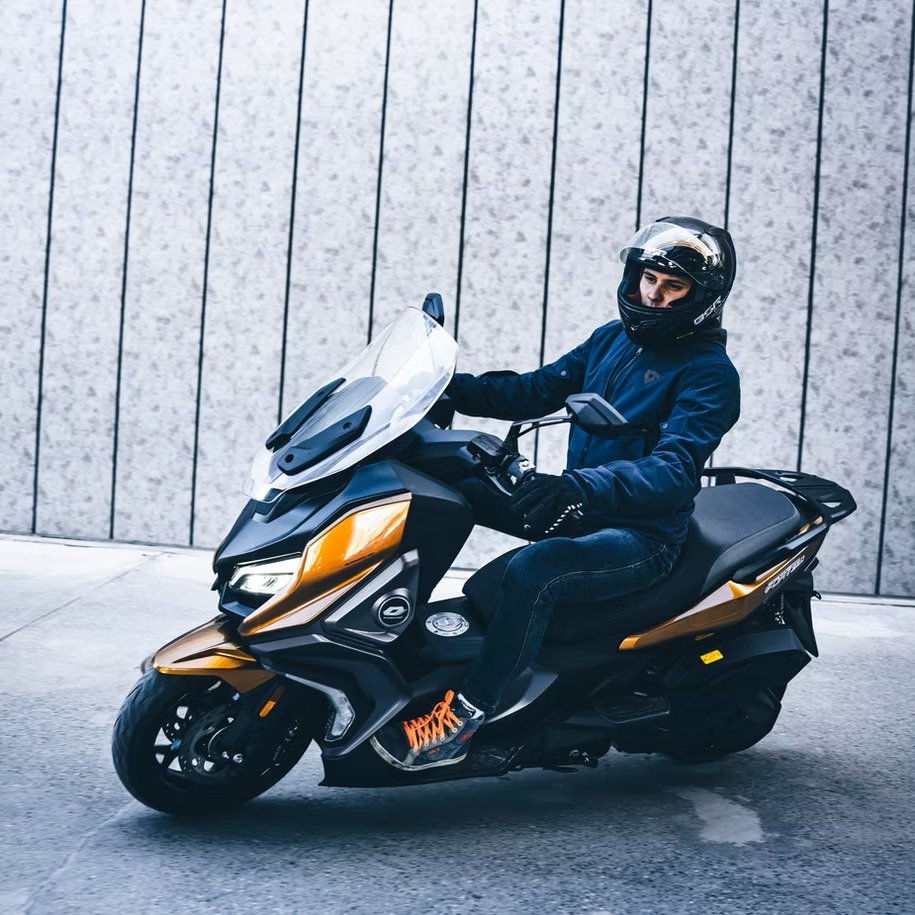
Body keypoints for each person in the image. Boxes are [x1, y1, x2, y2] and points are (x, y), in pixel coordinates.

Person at [373, 216, 741, 771]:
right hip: (581, 508)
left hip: (641, 535)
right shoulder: (612, 339)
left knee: (532, 572)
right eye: (648, 279)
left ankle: (464, 721)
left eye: (673, 287)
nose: (654, 294)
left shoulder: (709, 374)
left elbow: (673, 469)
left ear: (703, 299)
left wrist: (576, 486)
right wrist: (439, 389)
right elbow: (533, 390)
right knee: (449, 479)